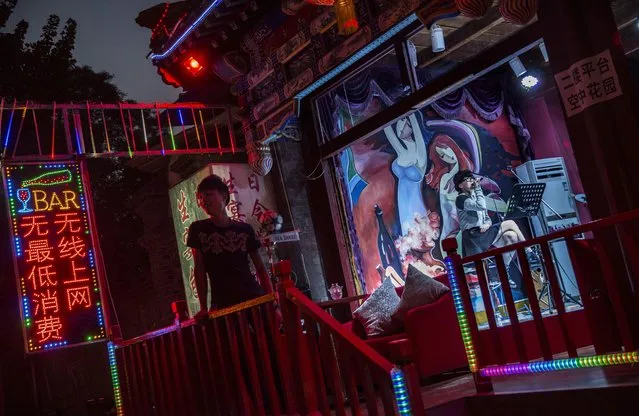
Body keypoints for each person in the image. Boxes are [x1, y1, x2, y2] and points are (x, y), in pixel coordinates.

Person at [187, 174, 273, 318]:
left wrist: (272, 301)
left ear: (224, 195)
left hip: (253, 297)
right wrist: (203, 308)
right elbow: (199, 270)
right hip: (223, 302)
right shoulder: (198, 230)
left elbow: (260, 268)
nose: (203, 200)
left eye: (209, 194)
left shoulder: (244, 229)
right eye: (201, 197)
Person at [453, 169, 527, 286]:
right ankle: (529, 250)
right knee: (511, 223)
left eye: (472, 179)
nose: (472, 181)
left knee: (511, 237)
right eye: (468, 180)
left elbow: (486, 217)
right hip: (473, 237)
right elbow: (481, 206)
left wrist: (487, 224)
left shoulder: (476, 197)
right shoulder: (461, 199)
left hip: (483, 233)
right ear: (460, 185)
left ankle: (500, 272)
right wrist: (478, 189)